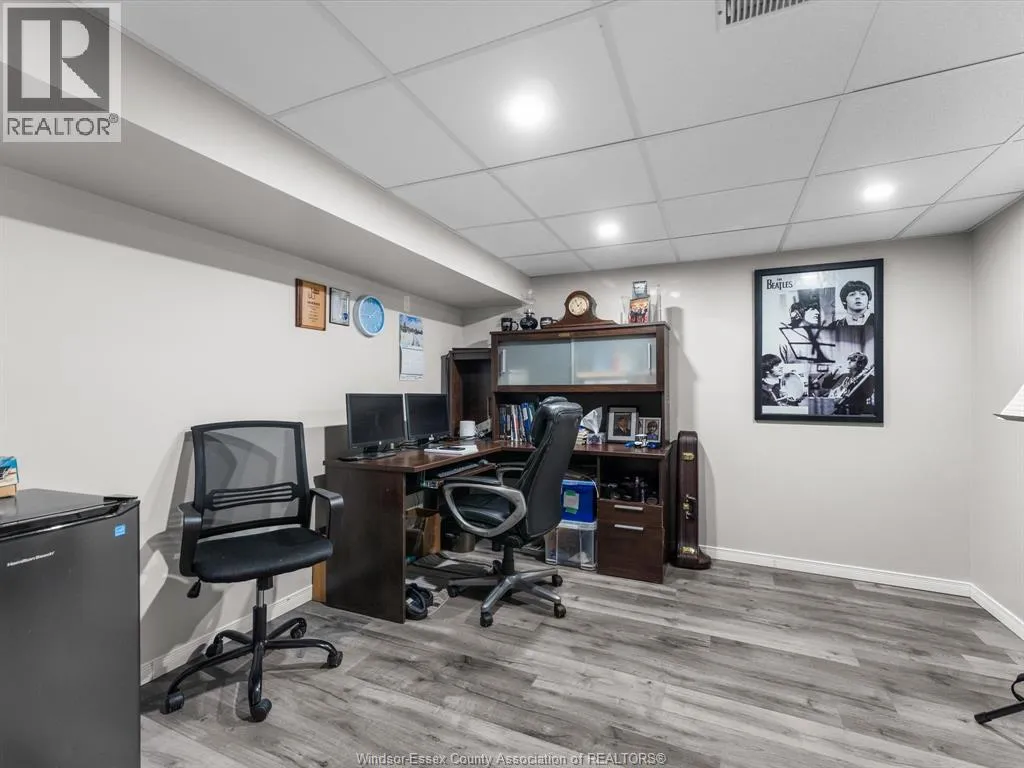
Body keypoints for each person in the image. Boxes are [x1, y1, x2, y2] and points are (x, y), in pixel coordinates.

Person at [778, 299, 835, 363]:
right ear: (797, 312)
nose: (817, 313)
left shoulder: (818, 335)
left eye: (817, 310)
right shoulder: (786, 336)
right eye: (812, 309)